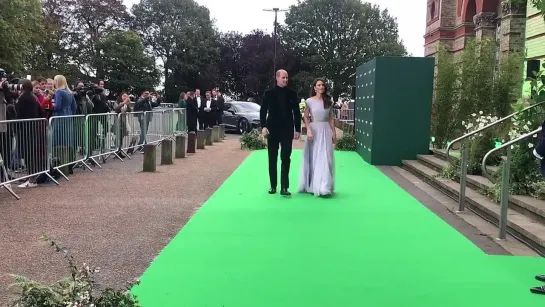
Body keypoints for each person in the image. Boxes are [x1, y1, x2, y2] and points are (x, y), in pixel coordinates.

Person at [260, 69, 301, 196]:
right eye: (283, 77)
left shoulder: (292, 94)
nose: (285, 80)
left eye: (287, 78)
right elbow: (263, 111)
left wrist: (298, 129)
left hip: (287, 129)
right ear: (277, 78)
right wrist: (263, 127)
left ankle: (284, 187)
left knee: (286, 158)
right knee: (272, 158)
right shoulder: (268, 93)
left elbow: (296, 112)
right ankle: (273, 186)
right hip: (272, 129)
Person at [298, 78, 336, 196]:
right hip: (314, 130)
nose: (321, 87)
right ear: (314, 88)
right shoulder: (309, 101)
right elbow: (305, 117)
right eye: (319, 85)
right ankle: (313, 185)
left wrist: (333, 132)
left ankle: (324, 186)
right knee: (314, 157)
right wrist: (308, 130)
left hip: (325, 130)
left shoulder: (329, 101)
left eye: (323, 85)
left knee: (326, 158)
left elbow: (330, 118)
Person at [16, 79, 47, 188]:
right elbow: (41, 112)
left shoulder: (23, 98)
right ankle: (31, 178)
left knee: (29, 155)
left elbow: (19, 114)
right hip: (33, 128)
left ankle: (32, 180)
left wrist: (16, 128)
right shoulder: (33, 98)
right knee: (31, 154)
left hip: (25, 129)